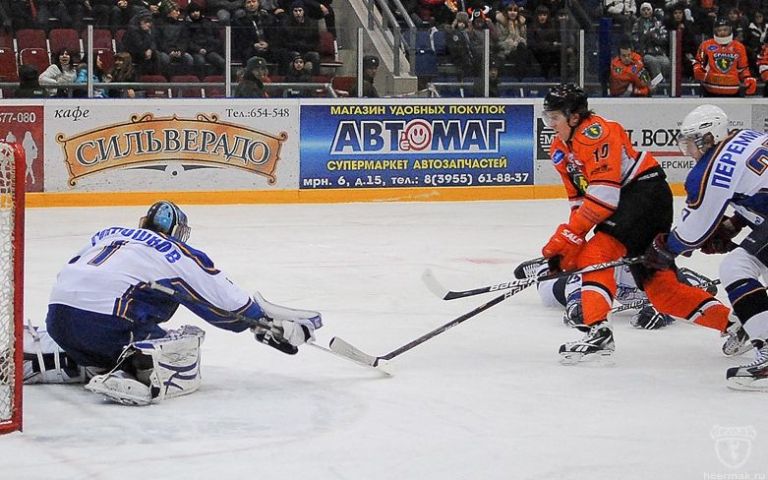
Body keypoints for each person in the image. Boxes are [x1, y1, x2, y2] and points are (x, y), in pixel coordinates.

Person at [23, 201, 322, 405]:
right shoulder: (175, 250)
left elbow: (76, 275)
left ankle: (50, 356)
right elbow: (221, 297)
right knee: (185, 348)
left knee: (103, 321)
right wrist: (261, 321)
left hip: (58, 319)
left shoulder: (107, 235)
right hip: (106, 327)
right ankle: (135, 373)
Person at [539, 83, 737, 364]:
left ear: (574, 117)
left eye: (554, 118)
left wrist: (571, 237)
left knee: (597, 254)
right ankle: (736, 326)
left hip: (644, 193)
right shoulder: (560, 149)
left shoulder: (597, 133)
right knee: (663, 292)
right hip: (632, 202)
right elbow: (579, 200)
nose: (551, 125)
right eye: (548, 118)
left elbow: (605, 195)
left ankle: (597, 332)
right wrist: (571, 243)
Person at [644, 105, 768, 391]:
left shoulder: (709, 169)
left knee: (736, 267)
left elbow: (694, 230)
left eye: (692, 142)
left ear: (709, 137)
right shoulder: (744, 136)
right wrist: (733, 224)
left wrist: (665, 249)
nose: (689, 150)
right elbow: (755, 189)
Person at [693, 17, 756, 96]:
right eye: (719, 30)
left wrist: (747, 78)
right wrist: (697, 68)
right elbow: (698, 61)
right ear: (714, 31)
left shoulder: (739, 47)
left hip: (733, 91)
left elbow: (743, 68)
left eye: (725, 30)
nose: (722, 32)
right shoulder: (705, 45)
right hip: (710, 90)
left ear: (730, 30)